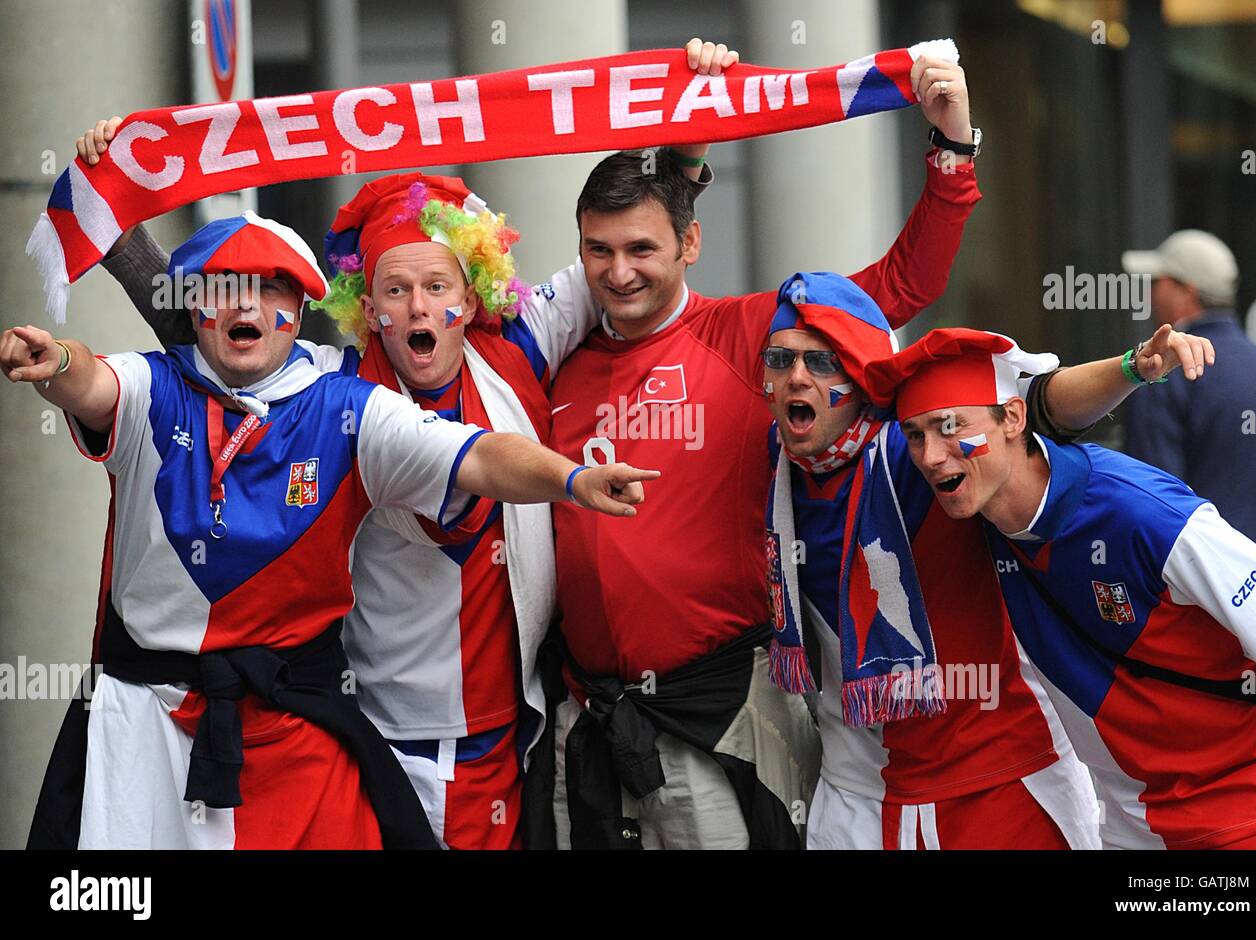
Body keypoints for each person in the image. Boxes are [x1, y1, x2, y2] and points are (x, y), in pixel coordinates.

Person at [73, 38, 734, 850]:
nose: (418, 308)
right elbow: (198, 334)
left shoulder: (518, 347)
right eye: (395, 290)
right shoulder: (328, 385)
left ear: (472, 295)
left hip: (511, 747)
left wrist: (692, 133)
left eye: (437, 287)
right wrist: (115, 195)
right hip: (371, 741)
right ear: (368, 308)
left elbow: (627, 250)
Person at [7, 212, 656, 850]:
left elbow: (483, 455)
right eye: (224, 289)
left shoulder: (348, 404)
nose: (248, 307)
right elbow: (90, 381)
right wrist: (58, 357)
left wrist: (571, 480)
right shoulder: (152, 385)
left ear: (298, 305)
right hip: (143, 726)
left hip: (300, 736)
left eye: (269, 290)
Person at [543, 52, 981, 848]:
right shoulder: (557, 365)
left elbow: (902, 285)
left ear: (689, 244)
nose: (619, 271)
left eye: (641, 248)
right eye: (598, 251)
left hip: (718, 711)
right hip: (590, 716)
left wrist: (953, 153)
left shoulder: (754, 335)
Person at [762, 273, 1214, 849]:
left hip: (1000, 783)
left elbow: (1037, 407)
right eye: (781, 358)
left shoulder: (917, 448)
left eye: (823, 361)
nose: (798, 376)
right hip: (857, 799)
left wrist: (1131, 367)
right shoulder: (767, 460)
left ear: (860, 378)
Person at [863, 327, 1256, 849]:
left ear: (1014, 419)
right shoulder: (972, 510)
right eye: (915, 435)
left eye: (949, 426)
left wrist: (1135, 368)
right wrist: (1132, 367)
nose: (931, 455)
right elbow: (1049, 403)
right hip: (1132, 828)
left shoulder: (1145, 514)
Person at [1122, 229, 1256, 572]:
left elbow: (1154, 505)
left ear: (1184, 290)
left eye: (1157, 281)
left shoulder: (1163, 373)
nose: (1148, 292)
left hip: (1208, 595)